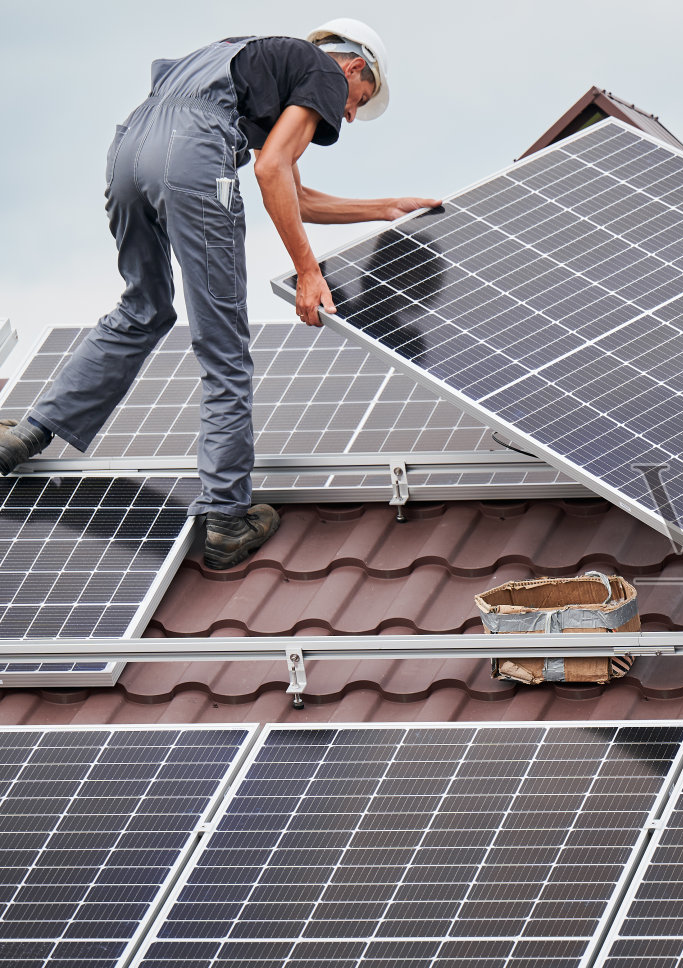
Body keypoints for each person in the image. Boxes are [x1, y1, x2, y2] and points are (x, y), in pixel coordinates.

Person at [0, 20, 440, 568]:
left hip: (130, 151)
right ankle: (228, 519)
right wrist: (308, 271)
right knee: (224, 347)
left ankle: (26, 435)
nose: (348, 114)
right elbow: (271, 168)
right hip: (194, 155)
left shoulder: (245, 55)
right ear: (353, 67)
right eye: (360, 98)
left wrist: (382, 207)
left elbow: (294, 194)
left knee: (142, 307)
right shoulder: (323, 70)